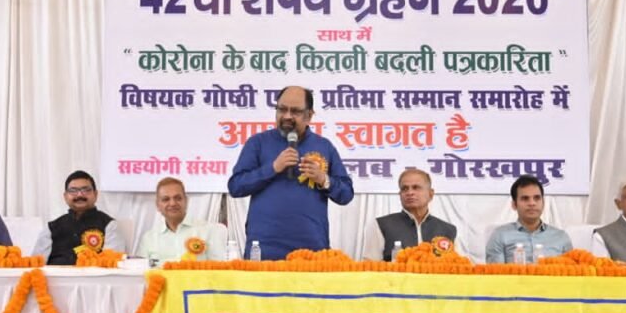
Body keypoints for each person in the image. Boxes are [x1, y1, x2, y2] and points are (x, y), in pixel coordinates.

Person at [227, 85, 354, 260]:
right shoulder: (258, 143)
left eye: (295, 111)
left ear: (309, 116)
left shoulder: (324, 146)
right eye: (282, 109)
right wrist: (273, 168)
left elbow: (346, 194)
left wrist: (323, 179)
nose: (287, 116)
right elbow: (236, 186)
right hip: (264, 248)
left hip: (311, 250)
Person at [33, 170, 126, 265]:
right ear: (65, 196)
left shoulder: (109, 225)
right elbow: (35, 264)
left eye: (86, 190)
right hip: (56, 274)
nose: (80, 195)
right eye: (73, 191)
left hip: (94, 274)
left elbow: (113, 264)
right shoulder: (51, 228)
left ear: (95, 194)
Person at [363, 168, 457, 261]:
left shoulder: (449, 230)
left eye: (416, 187)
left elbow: (458, 265)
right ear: (400, 194)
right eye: (405, 189)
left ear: (431, 194)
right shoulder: (381, 225)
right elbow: (370, 265)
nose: (410, 192)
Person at [138, 177, 227, 263]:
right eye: (166, 199)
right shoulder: (149, 238)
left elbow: (219, 267)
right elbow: (141, 270)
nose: (172, 203)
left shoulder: (209, 231)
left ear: (186, 201)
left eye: (178, 198)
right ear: (158, 205)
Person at [485, 174, 572, 263]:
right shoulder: (500, 235)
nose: (532, 203)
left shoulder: (561, 237)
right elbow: (495, 271)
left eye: (537, 198)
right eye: (525, 198)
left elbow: (571, 270)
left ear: (543, 203)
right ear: (514, 205)